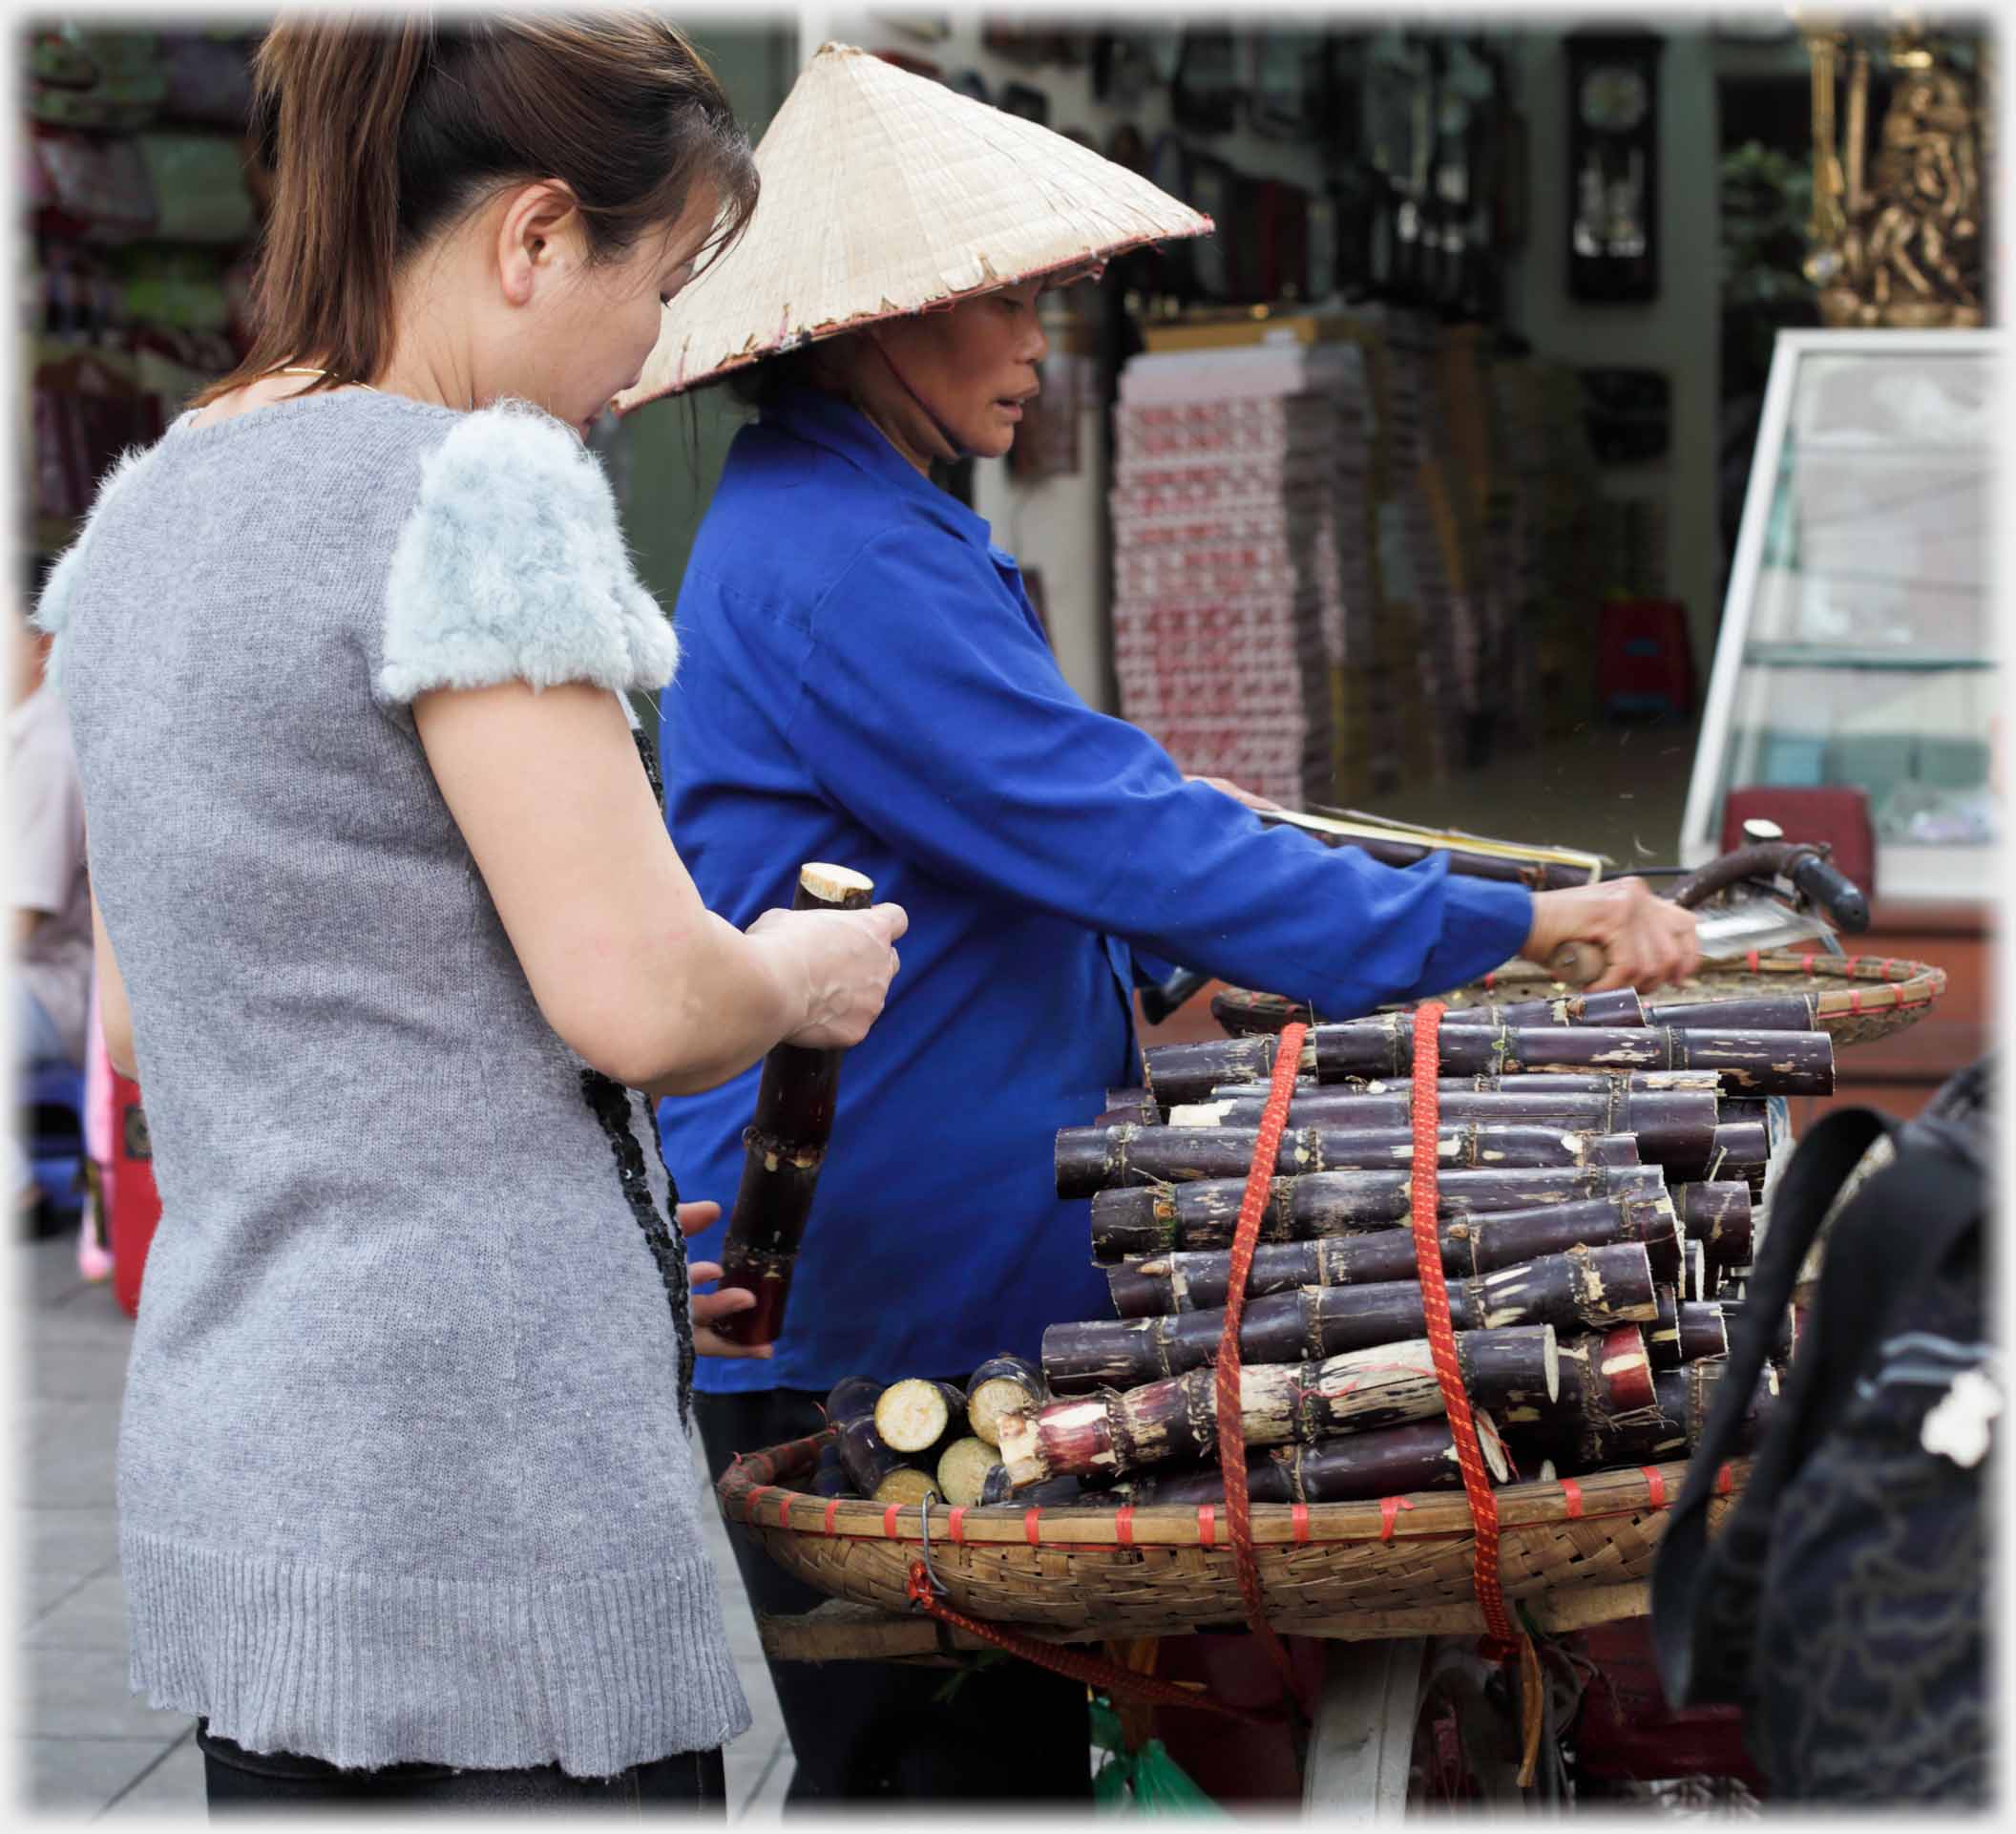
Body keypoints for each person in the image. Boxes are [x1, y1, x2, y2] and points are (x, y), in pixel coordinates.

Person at [618, 45, 1702, 1804]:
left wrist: (1185, 964)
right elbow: (1127, 835)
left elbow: (1052, 866)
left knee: (995, 1748)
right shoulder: (844, 556)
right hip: (882, 1265)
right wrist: (1519, 923)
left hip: (941, 1242)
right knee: (940, 1769)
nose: (1044, 339)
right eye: (1008, 302)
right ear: (887, 317)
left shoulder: (875, 517)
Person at [33, 16, 906, 1814]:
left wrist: (628, 1262)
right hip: (489, 1488)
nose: (650, 355)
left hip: (241, 1454)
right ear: (531, 237)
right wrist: (795, 974)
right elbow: (640, 1003)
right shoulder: (478, 492)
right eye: (660, 280)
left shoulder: (143, 512)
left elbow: (142, 1026)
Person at [10, 595, 93, 1221]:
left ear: (39, 645)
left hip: (54, 982)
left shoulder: (45, 745)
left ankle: (16, 1190)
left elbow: (24, 915)